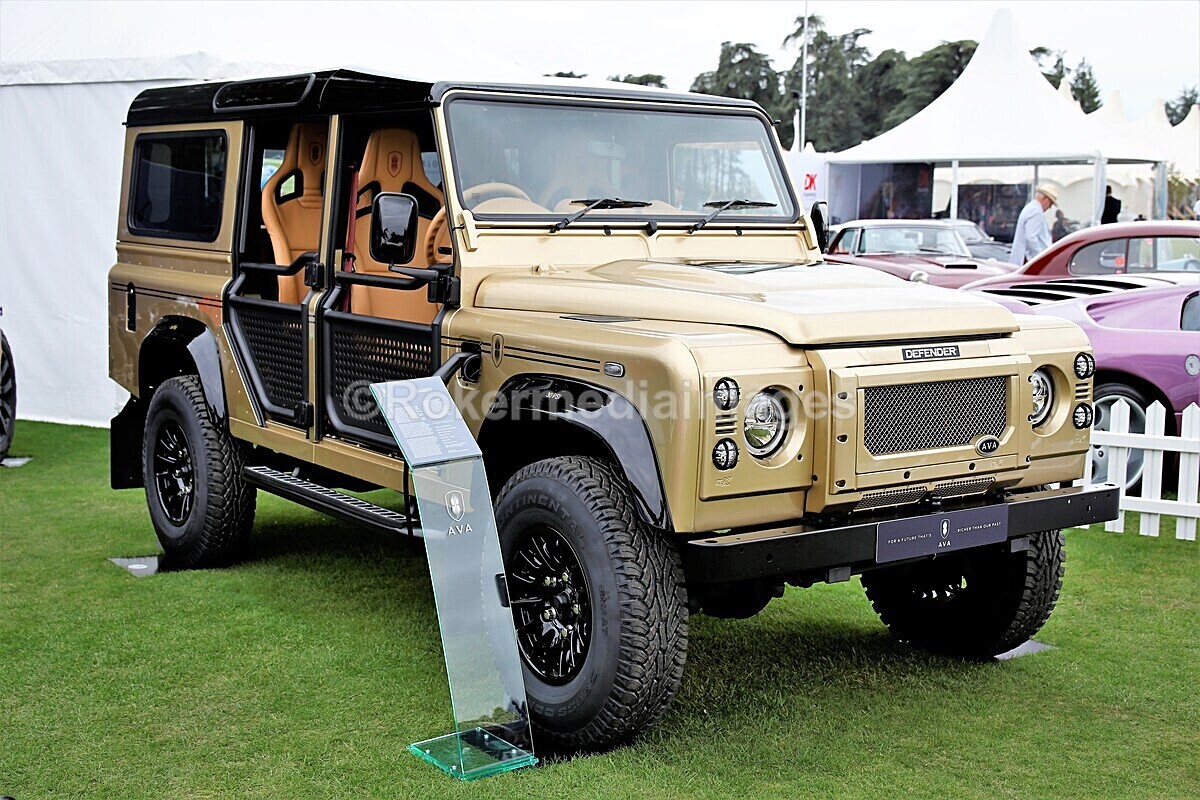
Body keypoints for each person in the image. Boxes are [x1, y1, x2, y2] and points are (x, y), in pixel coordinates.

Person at [1009, 185, 1056, 265]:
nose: (1049, 207)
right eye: (1050, 203)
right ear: (1045, 199)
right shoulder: (1036, 211)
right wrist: (1039, 258)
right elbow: (1031, 237)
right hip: (1029, 260)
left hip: (1025, 258)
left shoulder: (1031, 208)